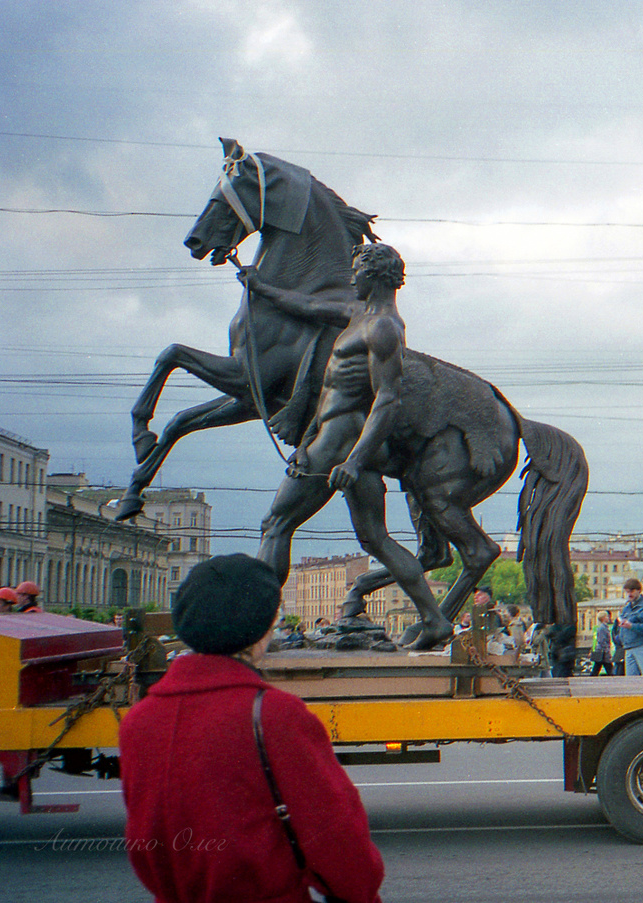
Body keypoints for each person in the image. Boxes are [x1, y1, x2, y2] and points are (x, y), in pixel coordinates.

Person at [119, 554, 383, 903]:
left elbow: (146, 841)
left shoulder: (139, 721)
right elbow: (337, 841)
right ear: (262, 628)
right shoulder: (275, 715)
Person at [242, 244, 454, 651]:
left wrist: (353, 460)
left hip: (341, 440)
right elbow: (306, 306)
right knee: (375, 539)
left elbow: (387, 397)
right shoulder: (361, 316)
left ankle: (255, 630)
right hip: (338, 439)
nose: (350, 277)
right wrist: (261, 287)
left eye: (356, 269)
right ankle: (435, 621)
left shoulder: (383, 327)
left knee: (276, 524)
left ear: (374, 274)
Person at [617, 578, 643, 676]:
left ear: (639, 590)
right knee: (631, 681)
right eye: (627, 592)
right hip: (628, 647)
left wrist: (631, 626)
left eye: (631, 591)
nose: (629, 594)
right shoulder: (626, 607)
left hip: (642, 646)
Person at [588, 610, 613, 676]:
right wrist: (607, 650)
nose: (608, 618)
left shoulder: (603, 627)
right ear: (603, 618)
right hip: (602, 652)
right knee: (608, 668)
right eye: (607, 616)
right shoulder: (602, 628)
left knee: (597, 668)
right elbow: (602, 641)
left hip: (601, 651)